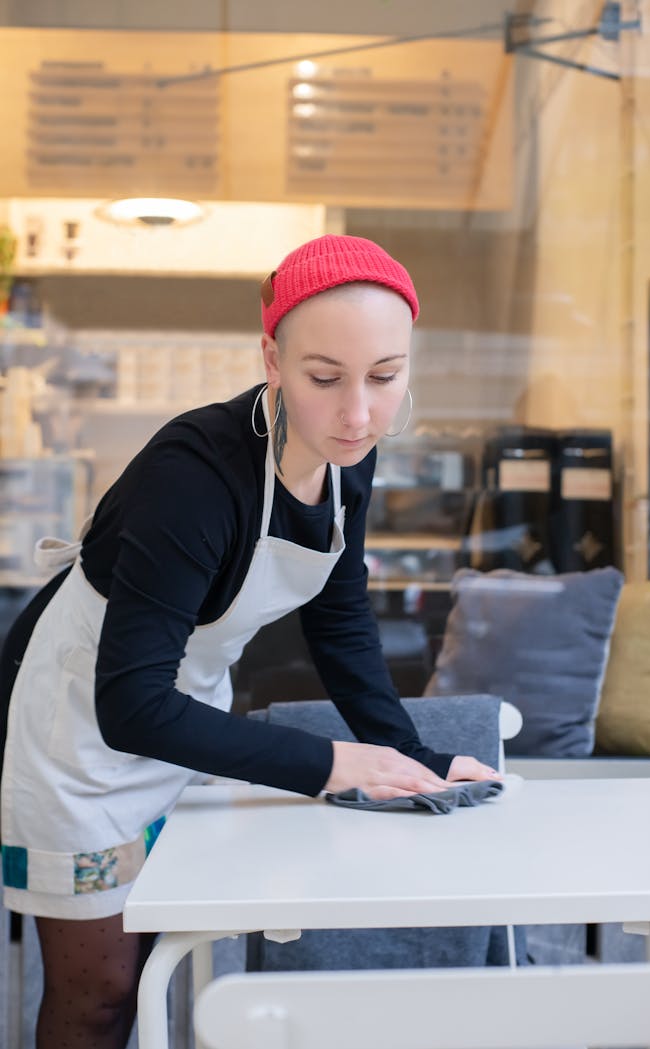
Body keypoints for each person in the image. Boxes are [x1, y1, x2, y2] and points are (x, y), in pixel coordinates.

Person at [0, 234, 498, 1048]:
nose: (359, 413)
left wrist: (412, 757)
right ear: (272, 356)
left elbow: (339, 617)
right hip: (82, 736)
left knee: (163, 968)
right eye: (324, 378)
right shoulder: (193, 476)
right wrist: (337, 765)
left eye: (385, 376)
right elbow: (127, 706)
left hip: (185, 720)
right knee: (100, 995)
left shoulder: (350, 454)